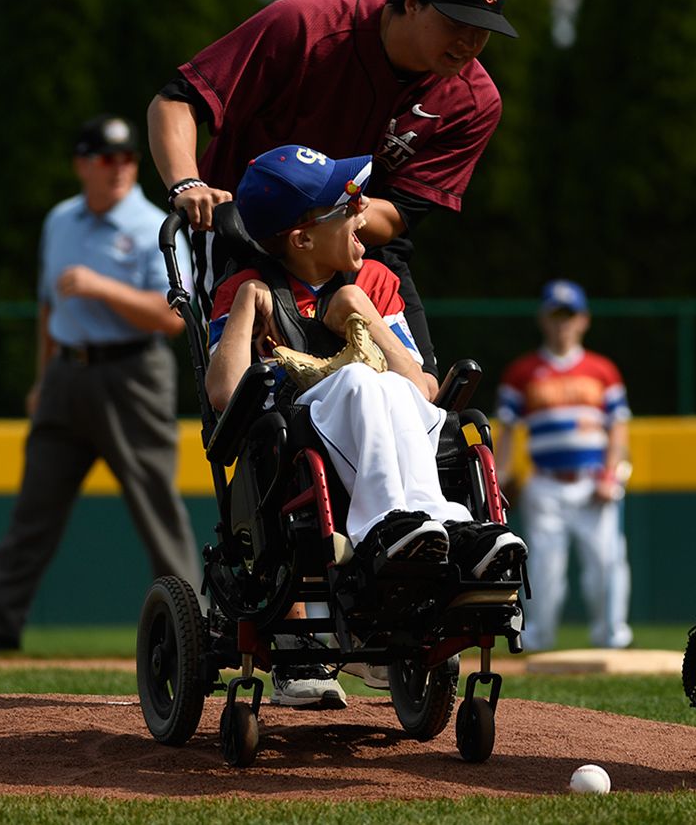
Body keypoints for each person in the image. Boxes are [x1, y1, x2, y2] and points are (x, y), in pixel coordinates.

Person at [208, 143, 526, 706]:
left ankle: (447, 528)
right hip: (295, 455)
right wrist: (242, 313)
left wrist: (366, 318)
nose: (365, 211)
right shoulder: (248, 290)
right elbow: (224, 397)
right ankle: (389, 526)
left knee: (386, 386)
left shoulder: (374, 281)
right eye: (348, 203)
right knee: (361, 384)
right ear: (302, 237)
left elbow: (424, 390)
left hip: (398, 436)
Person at [147, 0, 518, 389]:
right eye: (456, 21)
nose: (469, 42)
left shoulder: (473, 102)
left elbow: (398, 215)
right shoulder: (305, 25)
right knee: (257, 410)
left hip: (361, 250)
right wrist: (187, 183)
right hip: (243, 234)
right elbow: (176, 102)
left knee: (427, 401)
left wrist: (333, 217)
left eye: (484, 29)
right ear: (414, 2)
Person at [0, 115, 202, 653]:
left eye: (127, 158)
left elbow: (175, 317)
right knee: (34, 509)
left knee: (157, 506)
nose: (118, 168)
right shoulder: (60, 221)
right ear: (82, 164)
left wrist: (101, 288)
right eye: (105, 158)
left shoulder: (153, 227)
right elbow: (49, 305)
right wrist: (42, 378)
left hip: (132, 373)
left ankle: (196, 631)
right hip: (66, 373)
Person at [495, 280, 634, 651]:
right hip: (545, 483)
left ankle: (611, 635)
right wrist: (501, 477)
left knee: (606, 563)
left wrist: (610, 473)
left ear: (583, 320)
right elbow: (507, 431)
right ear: (543, 319)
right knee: (545, 567)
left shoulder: (602, 370)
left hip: (593, 483)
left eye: (569, 316)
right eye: (555, 316)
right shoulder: (522, 372)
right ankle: (538, 635)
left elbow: (618, 429)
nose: (562, 324)